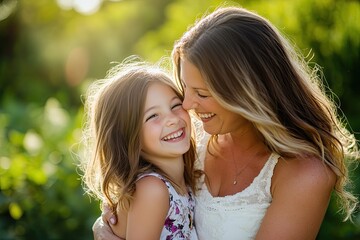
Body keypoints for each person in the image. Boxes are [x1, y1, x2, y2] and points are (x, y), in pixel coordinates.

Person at [93, 6, 360, 240]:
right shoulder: (190, 140)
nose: (186, 105)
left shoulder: (304, 173)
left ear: (248, 93)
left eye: (202, 94)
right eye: (185, 88)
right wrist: (106, 226)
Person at [80, 59, 201, 239]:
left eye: (175, 105)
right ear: (128, 135)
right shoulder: (152, 190)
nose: (172, 119)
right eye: (153, 116)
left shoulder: (181, 179)